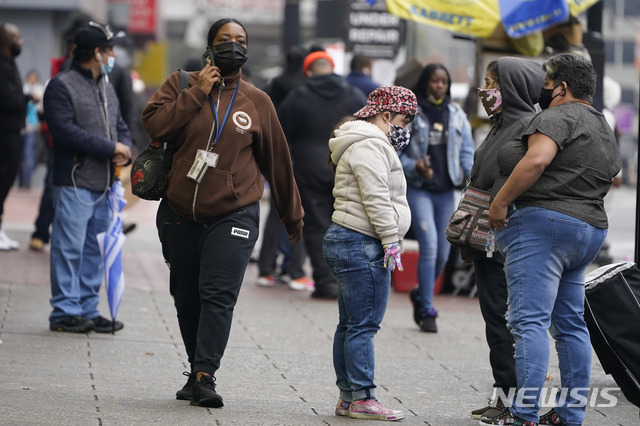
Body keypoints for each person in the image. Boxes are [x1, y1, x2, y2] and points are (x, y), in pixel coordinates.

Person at [141, 18, 304, 408]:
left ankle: (204, 375)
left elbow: (278, 162)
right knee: (186, 295)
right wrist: (197, 93)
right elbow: (155, 124)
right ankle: (196, 367)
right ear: (210, 46)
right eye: (224, 40)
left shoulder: (258, 101)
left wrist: (292, 215)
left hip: (235, 212)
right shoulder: (181, 83)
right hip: (179, 211)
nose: (234, 45)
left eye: (240, 40)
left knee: (217, 294)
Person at [485, 53, 622, 426]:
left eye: (547, 84)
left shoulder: (556, 116)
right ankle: (569, 414)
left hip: (543, 227)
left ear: (561, 87)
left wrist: (500, 203)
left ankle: (523, 413)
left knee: (528, 321)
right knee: (570, 325)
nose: (542, 90)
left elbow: (536, 160)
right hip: (589, 229)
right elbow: (609, 175)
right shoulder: (602, 126)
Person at [323, 86, 417, 421]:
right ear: (386, 115)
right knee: (363, 325)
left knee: (350, 324)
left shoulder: (361, 141)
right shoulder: (370, 144)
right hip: (362, 242)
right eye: (404, 120)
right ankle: (362, 397)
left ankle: (349, 398)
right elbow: (375, 196)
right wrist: (391, 240)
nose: (406, 129)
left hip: (350, 239)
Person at [466, 57, 545, 421]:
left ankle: (517, 401)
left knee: (507, 321)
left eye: (492, 83)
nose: (485, 90)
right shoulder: (499, 126)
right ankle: (503, 397)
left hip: (506, 237)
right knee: (494, 319)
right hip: (484, 235)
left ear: (512, 87)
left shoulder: (529, 127)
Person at [44, 21, 132, 333]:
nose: (113, 55)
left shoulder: (106, 84)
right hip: (74, 181)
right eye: (109, 49)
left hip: (104, 182)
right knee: (68, 249)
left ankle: (87, 307)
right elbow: (65, 132)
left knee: (95, 249)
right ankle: (64, 311)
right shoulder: (61, 85)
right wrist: (111, 147)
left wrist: (126, 147)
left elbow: (120, 123)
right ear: (97, 53)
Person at [278, 50, 367, 299]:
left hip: (309, 169)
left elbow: (281, 133)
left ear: (308, 71)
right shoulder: (353, 94)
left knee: (317, 226)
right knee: (347, 223)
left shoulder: (299, 96)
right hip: (345, 167)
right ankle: (346, 282)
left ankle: (325, 282)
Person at [400, 63, 474, 332]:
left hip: (445, 192)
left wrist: (471, 179)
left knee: (443, 252)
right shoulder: (412, 114)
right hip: (419, 189)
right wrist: (414, 166)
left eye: (444, 81)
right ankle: (429, 308)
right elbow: (399, 153)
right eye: (434, 80)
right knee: (429, 244)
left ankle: (420, 293)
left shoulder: (456, 114)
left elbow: (466, 151)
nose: (439, 85)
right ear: (426, 82)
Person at [256, 45, 311, 290]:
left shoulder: (276, 83)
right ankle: (295, 270)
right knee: (297, 211)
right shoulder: (305, 88)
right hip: (299, 157)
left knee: (274, 215)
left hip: (274, 153)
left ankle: (265, 269)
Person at [0, 23, 27, 251]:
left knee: (7, 182)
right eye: (17, 38)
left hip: (11, 133)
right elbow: (9, 99)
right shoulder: (2, 66)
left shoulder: (9, 64)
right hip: (5, 134)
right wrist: (27, 99)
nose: (21, 42)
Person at [20, 70, 45, 189]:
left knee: (28, 154)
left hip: (31, 126)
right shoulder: (23, 88)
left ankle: (27, 181)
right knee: (20, 155)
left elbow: (40, 108)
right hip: (20, 126)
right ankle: (21, 181)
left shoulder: (40, 89)